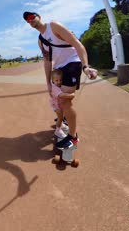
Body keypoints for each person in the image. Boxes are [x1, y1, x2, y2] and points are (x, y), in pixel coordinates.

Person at [24, 11, 97, 150]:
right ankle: (63, 119)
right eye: (28, 20)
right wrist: (48, 83)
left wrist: (85, 66)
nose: (30, 20)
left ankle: (73, 136)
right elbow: (47, 61)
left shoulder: (54, 26)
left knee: (65, 101)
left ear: (39, 17)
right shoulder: (41, 41)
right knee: (57, 100)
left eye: (32, 17)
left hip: (72, 63)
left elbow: (77, 44)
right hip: (58, 70)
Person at [50, 69, 73, 139]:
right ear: (53, 81)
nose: (59, 82)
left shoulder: (59, 86)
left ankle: (62, 125)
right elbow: (61, 95)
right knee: (60, 118)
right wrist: (71, 95)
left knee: (62, 116)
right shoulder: (54, 88)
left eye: (60, 80)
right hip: (56, 106)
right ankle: (58, 130)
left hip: (59, 104)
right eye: (56, 80)